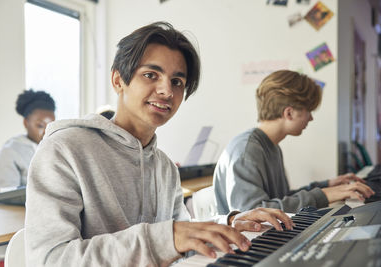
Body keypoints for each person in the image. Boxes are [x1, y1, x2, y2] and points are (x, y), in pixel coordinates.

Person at [25, 22, 293, 266]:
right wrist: (166, 238)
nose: (167, 91)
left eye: (177, 81)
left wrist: (231, 222)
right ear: (118, 80)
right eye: (151, 75)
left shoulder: (164, 166)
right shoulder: (64, 149)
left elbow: (178, 236)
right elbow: (51, 260)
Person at [214, 70, 375, 214]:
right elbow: (252, 213)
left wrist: (328, 185)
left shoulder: (272, 146)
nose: (311, 118)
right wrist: (325, 195)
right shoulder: (247, 150)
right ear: (289, 113)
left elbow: (281, 199)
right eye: (308, 111)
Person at [0, 89, 55, 193]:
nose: (46, 132)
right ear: (26, 123)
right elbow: (4, 195)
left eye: (52, 126)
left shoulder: (56, 149)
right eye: (40, 126)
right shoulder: (9, 152)